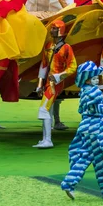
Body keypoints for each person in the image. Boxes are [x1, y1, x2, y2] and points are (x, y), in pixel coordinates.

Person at [61, 61, 103, 201]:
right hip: (96, 128)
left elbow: (82, 110)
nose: (97, 80)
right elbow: (98, 109)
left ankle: (69, 183)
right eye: (94, 78)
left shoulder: (83, 91)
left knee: (85, 155)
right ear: (88, 79)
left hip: (84, 127)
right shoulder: (94, 92)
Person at [33, 19, 77, 149]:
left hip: (55, 84)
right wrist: (40, 84)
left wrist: (58, 76)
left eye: (54, 28)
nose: (51, 30)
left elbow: (73, 67)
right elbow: (44, 65)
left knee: (43, 109)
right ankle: (45, 138)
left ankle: (48, 140)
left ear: (60, 31)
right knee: (48, 110)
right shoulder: (48, 46)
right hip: (48, 82)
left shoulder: (66, 48)